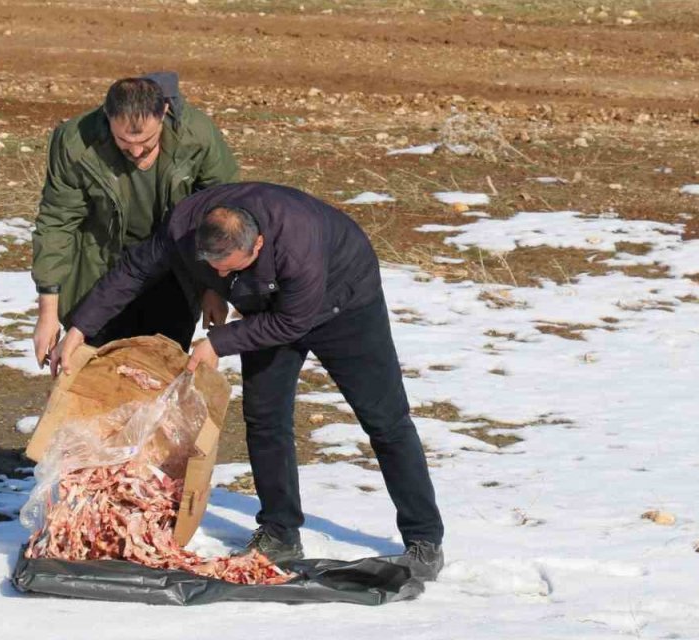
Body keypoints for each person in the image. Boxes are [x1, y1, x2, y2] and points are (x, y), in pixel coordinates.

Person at [49, 182, 446, 580]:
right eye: (214, 267)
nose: (221, 274)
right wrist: (80, 329)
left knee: (385, 420)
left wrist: (218, 343)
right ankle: (279, 531)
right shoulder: (186, 226)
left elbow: (293, 322)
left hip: (344, 305)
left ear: (257, 244)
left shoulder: (298, 244)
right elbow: (134, 270)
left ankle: (424, 539)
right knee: (265, 417)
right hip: (266, 306)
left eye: (229, 268)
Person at [31, 72, 238, 368]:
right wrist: (47, 315)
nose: (137, 152)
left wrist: (212, 288)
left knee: (158, 368)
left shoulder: (197, 136)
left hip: (174, 270)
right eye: (124, 143)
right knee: (100, 370)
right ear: (107, 117)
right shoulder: (75, 142)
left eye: (147, 141)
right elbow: (56, 223)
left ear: (164, 111)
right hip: (101, 269)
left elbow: (222, 216)